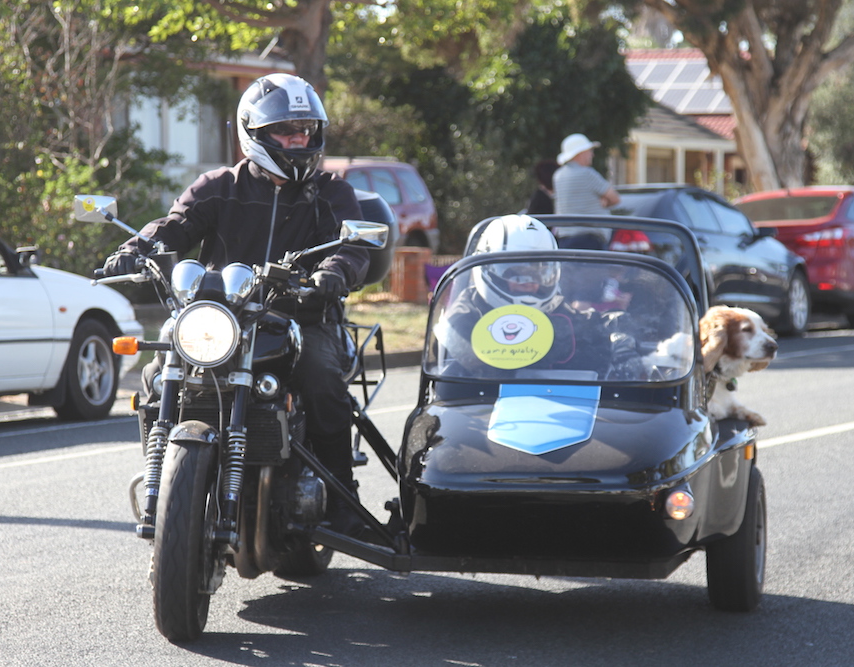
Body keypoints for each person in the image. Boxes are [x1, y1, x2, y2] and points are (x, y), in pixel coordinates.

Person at [100, 72, 370, 536]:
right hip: (223, 319)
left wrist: (333, 274)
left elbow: (354, 247)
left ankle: (342, 499)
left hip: (303, 317)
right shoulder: (219, 186)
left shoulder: (330, 192)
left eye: (305, 130)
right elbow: (174, 224)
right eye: (287, 131)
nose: (299, 140)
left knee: (323, 380)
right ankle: (166, 479)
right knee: (154, 374)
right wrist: (138, 247)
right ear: (256, 133)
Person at [434, 214, 641, 379]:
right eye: (516, 272)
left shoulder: (555, 309)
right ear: (486, 269)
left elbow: (585, 323)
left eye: (540, 272)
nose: (531, 283)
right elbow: (451, 368)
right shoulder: (465, 316)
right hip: (484, 417)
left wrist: (617, 333)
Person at [552, 133, 620, 249]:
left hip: (564, 240)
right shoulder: (587, 174)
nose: (592, 154)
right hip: (590, 240)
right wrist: (604, 202)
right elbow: (615, 198)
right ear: (580, 153)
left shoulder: (558, 176)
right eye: (589, 151)